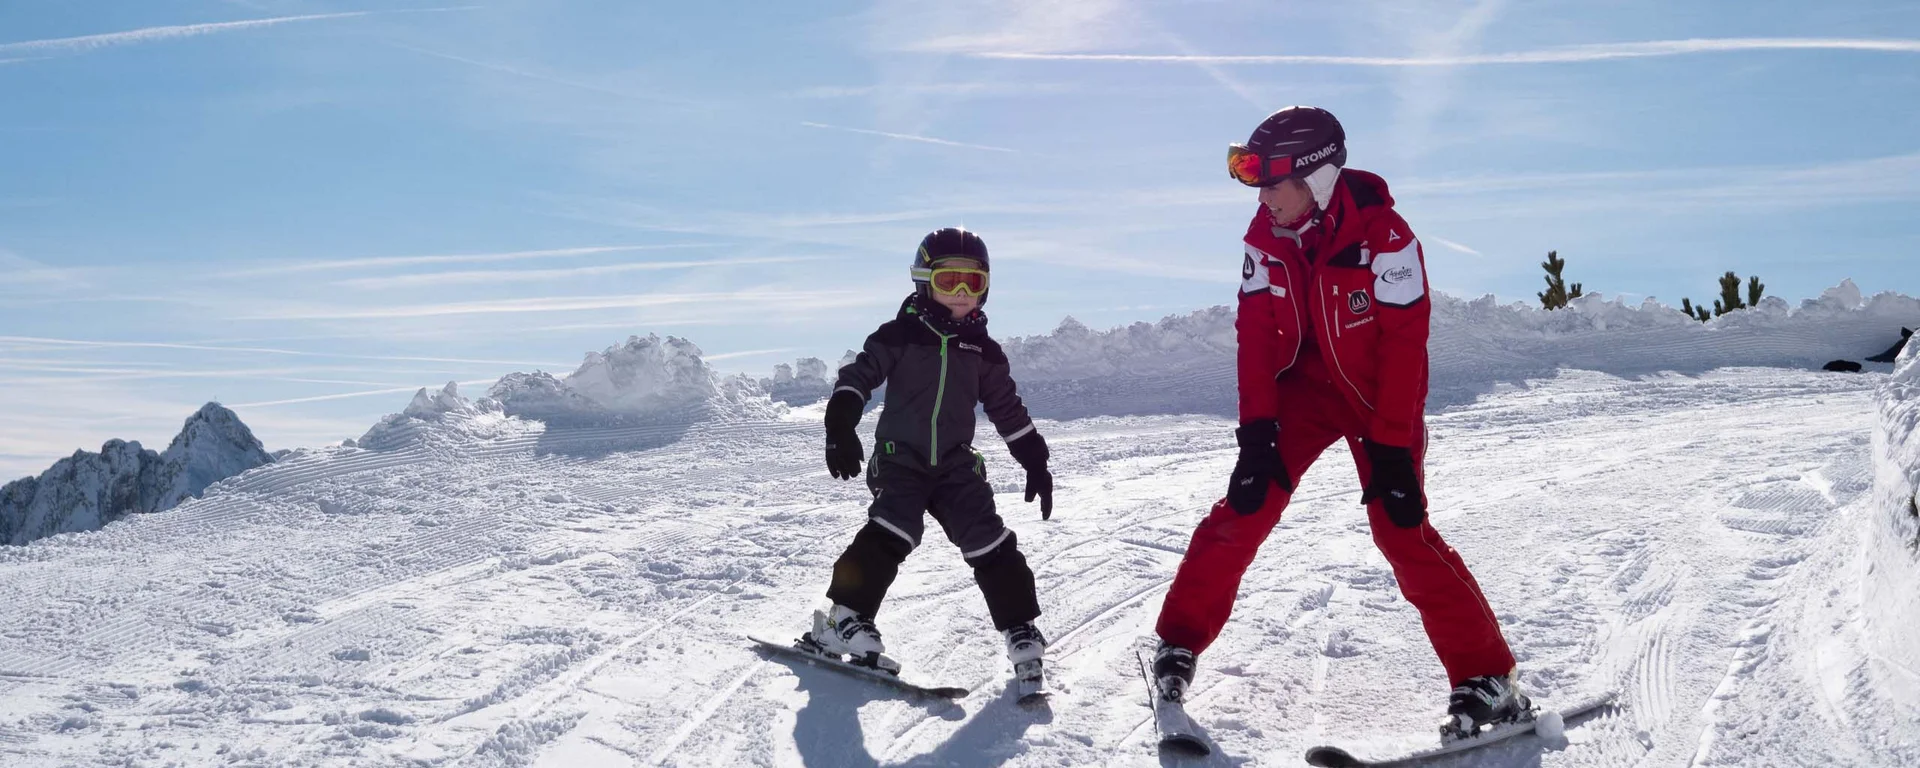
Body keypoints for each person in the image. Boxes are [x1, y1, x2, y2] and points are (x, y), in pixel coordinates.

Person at [1149, 106, 1528, 735]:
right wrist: (1256, 432)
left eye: (1274, 183)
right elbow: (1254, 336)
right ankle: (1178, 641)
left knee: (1401, 527)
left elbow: (1405, 346)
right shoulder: (1265, 234)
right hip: (1302, 389)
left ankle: (1489, 677)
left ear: (1316, 179)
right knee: (1247, 503)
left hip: (1377, 397)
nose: (1263, 198)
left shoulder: (1388, 239)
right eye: (1257, 184)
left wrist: (1391, 448)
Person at [799, 227, 1054, 680]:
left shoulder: (984, 352)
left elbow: (1007, 408)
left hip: (956, 463)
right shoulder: (900, 335)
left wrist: (1034, 459)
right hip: (901, 458)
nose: (961, 293)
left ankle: (1020, 627)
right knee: (894, 527)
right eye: (949, 280)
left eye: (972, 282)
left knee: (988, 538)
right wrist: (839, 423)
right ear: (924, 281)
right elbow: (860, 376)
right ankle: (843, 617)